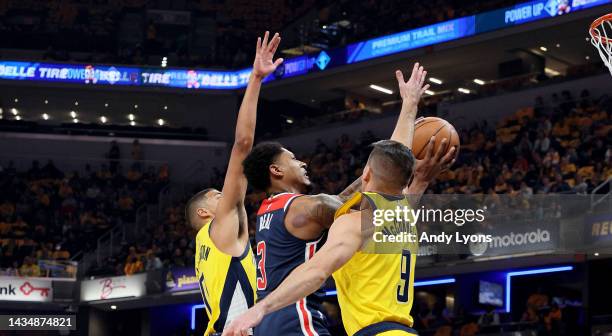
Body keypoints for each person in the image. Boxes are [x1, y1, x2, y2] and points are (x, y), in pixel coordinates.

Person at [229, 64, 452, 336]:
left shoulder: (270, 211)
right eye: (293, 159)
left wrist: (259, 309)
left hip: (290, 319)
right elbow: (389, 180)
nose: (302, 162)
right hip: (314, 320)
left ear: (367, 174)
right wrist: (409, 108)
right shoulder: (317, 208)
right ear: (275, 171)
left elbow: (319, 268)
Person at [185, 32, 284, 336]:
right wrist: (255, 79)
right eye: (217, 195)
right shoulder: (221, 228)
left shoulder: (204, 247)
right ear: (204, 213)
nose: (224, 195)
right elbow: (242, 145)